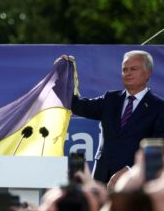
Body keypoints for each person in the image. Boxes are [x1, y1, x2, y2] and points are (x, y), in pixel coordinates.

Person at [70, 50, 164, 185]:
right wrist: (61, 81)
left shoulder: (159, 107)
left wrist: (130, 170)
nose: (128, 73)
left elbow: (158, 150)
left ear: (148, 73)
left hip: (134, 183)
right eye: (124, 69)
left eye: (133, 69)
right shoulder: (110, 99)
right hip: (102, 178)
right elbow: (78, 106)